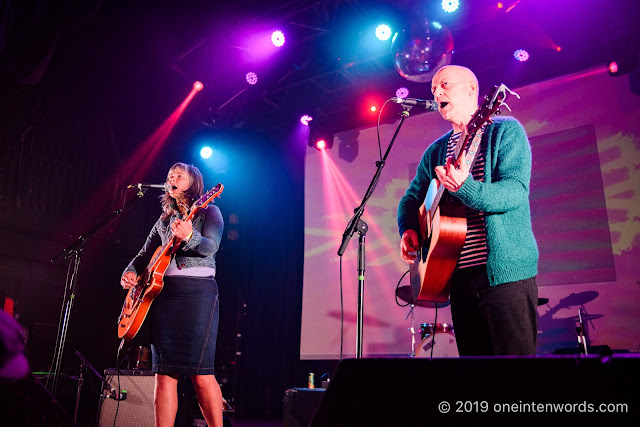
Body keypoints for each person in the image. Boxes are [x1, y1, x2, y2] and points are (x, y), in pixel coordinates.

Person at [397, 65, 539, 356]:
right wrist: (409, 229)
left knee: (518, 380)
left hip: (504, 276)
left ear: (472, 90)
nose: (437, 93)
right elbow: (410, 199)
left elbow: (514, 193)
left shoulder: (505, 131)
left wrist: (465, 188)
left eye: (444, 85)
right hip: (457, 277)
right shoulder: (435, 151)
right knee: (476, 380)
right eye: (434, 89)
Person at [121, 162, 224, 426]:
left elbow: (210, 247)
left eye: (179, 175)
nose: (172, 179)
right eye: (170, 176)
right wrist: (130, 272)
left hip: (198, 295)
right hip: (163, 297)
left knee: (201, 373)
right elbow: (144, 255)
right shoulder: (163, 221)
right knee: (164, 374)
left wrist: (190, 236)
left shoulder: (210, 211)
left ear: (193, 183)